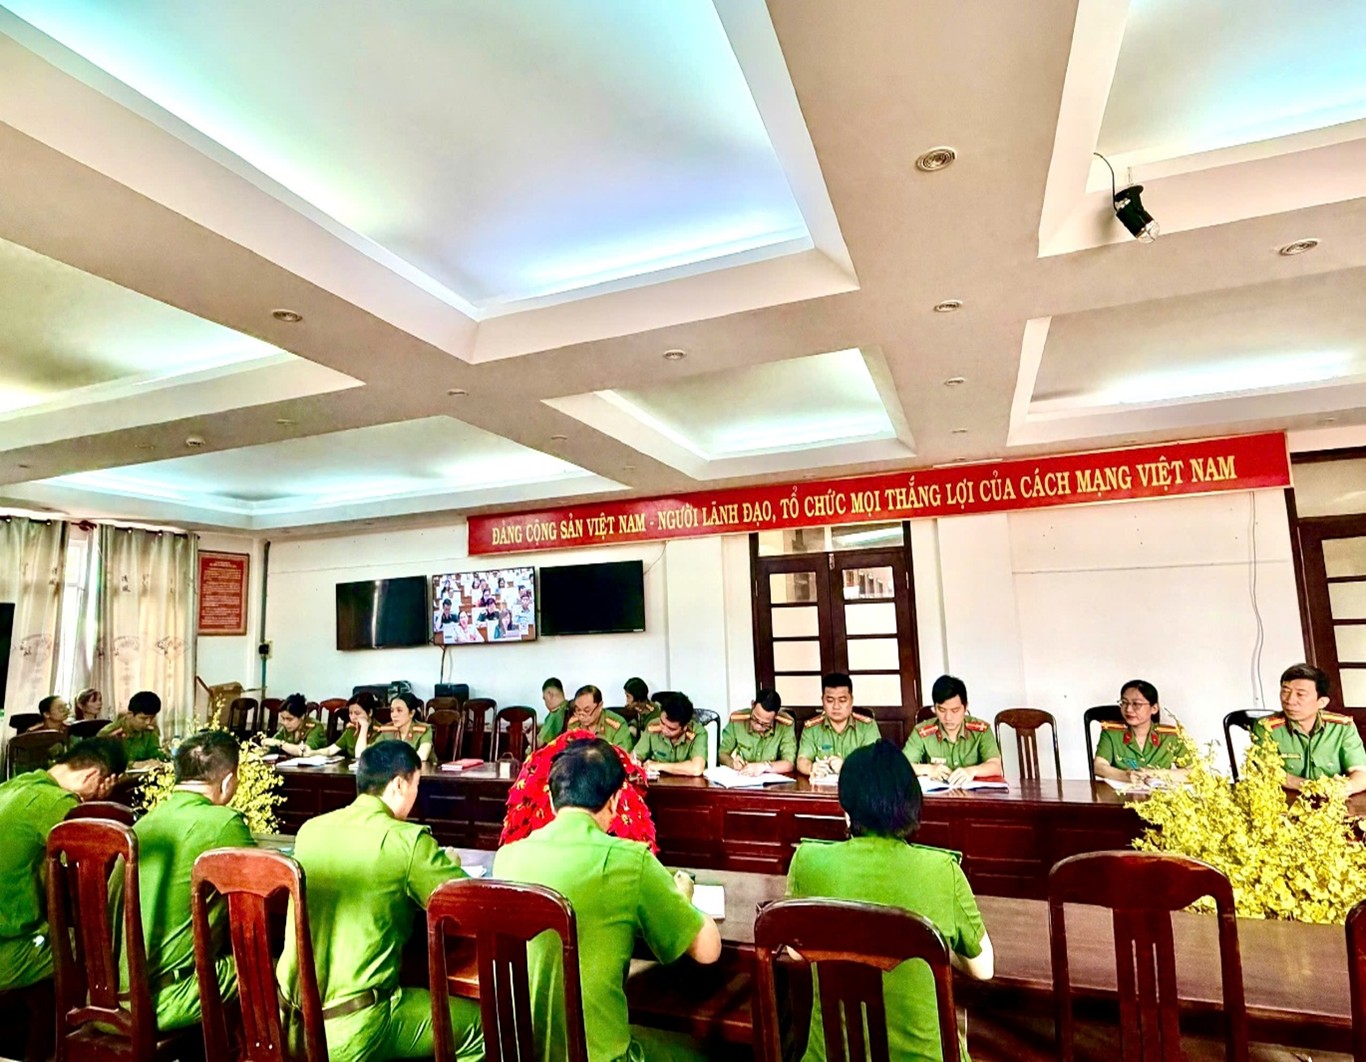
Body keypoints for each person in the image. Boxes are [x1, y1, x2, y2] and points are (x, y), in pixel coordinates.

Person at [494, 738, 721, 1062]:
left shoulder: (508, 857)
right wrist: (683, 896)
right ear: (615, 801)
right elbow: (708, 950)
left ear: (553, 800)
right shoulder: (630, 861)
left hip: (523, 1053)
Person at [276, 742, 483, 1062]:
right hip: (356, 1029)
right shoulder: (407, 841)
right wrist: (448, 862)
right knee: (483, 1027)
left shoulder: (310, 831)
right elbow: (467, 905)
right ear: (399, 784)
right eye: (416, 785)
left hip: (291, 1025)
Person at [787, 740, 993, 1060]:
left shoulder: (807, 860)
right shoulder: (941, 870)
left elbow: (795, 951)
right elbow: (983, 969)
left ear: (846, 807)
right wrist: (933, 941)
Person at [123, 730, 254, 1031]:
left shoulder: (145, 822)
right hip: (169, 998)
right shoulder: (222, 823)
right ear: (228, 781)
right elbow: (263, 891)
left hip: (114, 997)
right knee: (268, 967)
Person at [0, 739, 126, 993]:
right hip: (10, 947)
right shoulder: (58, 802)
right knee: (107, 943)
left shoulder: (12, 786)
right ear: (92, 776)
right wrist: (91, 806)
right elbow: (100, 864)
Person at [1254, 663, 1366, 793]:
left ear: (1321, 702)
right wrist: (1313, 787)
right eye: (1285, 691)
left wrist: (1343, 789)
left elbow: (1361, 773)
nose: (1289, 700)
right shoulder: (1267, 728)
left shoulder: (1342, 727)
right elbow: (1267, 772)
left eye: (1300, 694)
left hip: (1335, 800)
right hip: (1287, 800)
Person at [902, 675, 1004, 786]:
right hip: (937, 795)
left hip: (975, 794)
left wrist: (972, 771)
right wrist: (929, 769)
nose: (948, 717)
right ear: (934, 708)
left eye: (955, 710)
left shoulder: (981, 730)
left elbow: (996, 766)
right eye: (942, 710)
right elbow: (901, 765)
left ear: (965, 707)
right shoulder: (922, 732)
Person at [1092, 680, 1188, 785]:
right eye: (1124, 702)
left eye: (1136, 704)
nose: (1128, 709)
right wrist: (1124, 776)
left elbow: (1193, 771)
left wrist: (1155, 773)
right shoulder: (1112, 733)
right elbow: (1098, 766)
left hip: (1160, 793)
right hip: (1121, 793)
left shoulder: (1170, 736)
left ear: (1154, 708)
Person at [796, 673, 881, 778]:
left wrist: (848, 766)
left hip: (858, 786)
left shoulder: (867, 727)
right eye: (830, 700)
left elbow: (876, 762)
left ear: (851, 700)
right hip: (821, 786)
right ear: (822, 701)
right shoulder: (812, 728)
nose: (836, 706)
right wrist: (812, 768)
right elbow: (802, 760)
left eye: (842, 700)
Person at [718, 689, 796, 774]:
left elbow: (789, 763)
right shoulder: (737, 720)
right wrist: (732, 763)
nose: (758, 726)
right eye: (755, 719)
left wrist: (764, 766)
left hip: (772, 778)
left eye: (765, 724)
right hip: (744, 776)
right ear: (752, 705)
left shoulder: (785, 724)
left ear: (775, 716)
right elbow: (722, 753)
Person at [633, 693, 707, 776]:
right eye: (662, 722)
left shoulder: (698, 733)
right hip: (657, 781)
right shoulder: (653, 725)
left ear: (684, 727)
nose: (664, 730)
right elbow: (636, 755)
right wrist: (636, 761)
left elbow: (696, 769)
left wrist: (659, 766)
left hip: (688, 783)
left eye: (671, 729)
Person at [540, 685, 632, 749]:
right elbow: (568, 751)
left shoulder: (617, 726)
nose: (581, 716)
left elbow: (623, 759)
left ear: (600, 706)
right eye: (578, 710)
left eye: (587, 711)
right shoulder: (574, 723)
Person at [97, 690, 168, 766]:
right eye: (143, 718)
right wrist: (132, 764)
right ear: (129, 714)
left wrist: (168, 754)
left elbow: (156, 754)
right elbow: (101, 762)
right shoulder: (109, 732)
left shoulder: (150, 731)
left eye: (152, 718)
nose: (148, 722)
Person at [362, 695, 432, 764]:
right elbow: (367, 753)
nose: (394, 715)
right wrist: (364, 727)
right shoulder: (387, 729)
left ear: (411, 713)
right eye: (392, 711)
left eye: (399, 710)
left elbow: (422, 756)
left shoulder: (423, 729)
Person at [321, 692, 377, 759]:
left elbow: (361, 756)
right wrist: (312, 752)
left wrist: (364, 727)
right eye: (350, 713)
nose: (352, 717)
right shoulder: (351, 729)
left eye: (357, 713)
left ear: (370, 712)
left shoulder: (381, 731)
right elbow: (330, 750)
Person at [537, 678, 568, 745]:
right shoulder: (566, 708)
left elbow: (540, 743)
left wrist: (529, 735)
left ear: (550, 695)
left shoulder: (556, 715)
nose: (545, 703)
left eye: (544, 698)